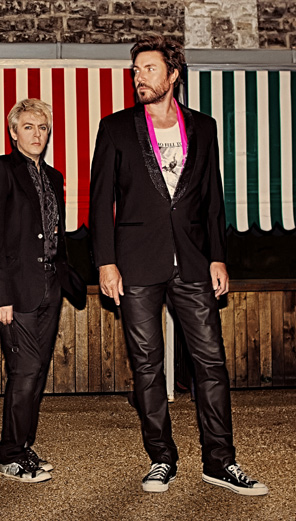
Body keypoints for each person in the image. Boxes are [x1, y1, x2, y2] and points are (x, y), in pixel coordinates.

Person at [89, 35, 268, 496]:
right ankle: (161, 458)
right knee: (147, 366)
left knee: (211, 362)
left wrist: (218, 256)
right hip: (135, 264)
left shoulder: (203, 127)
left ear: (173, 75)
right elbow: (100, 201)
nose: (139, 77)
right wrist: (106, 262)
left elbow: (212, 199)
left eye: (149, 69)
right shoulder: (115, 128)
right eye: (135, 71)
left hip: (193, 262)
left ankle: (220, 461)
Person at [0, 99, 86, 483]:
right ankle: (8, 456)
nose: (36, 134)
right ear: (13, 132)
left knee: (37, 372)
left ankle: (23, 445)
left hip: (50, 288)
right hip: (17, 291)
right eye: (28, 127)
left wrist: (65, 276)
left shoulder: (54, 176)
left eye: (42, 127)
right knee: (24, 371)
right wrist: (1, 296)